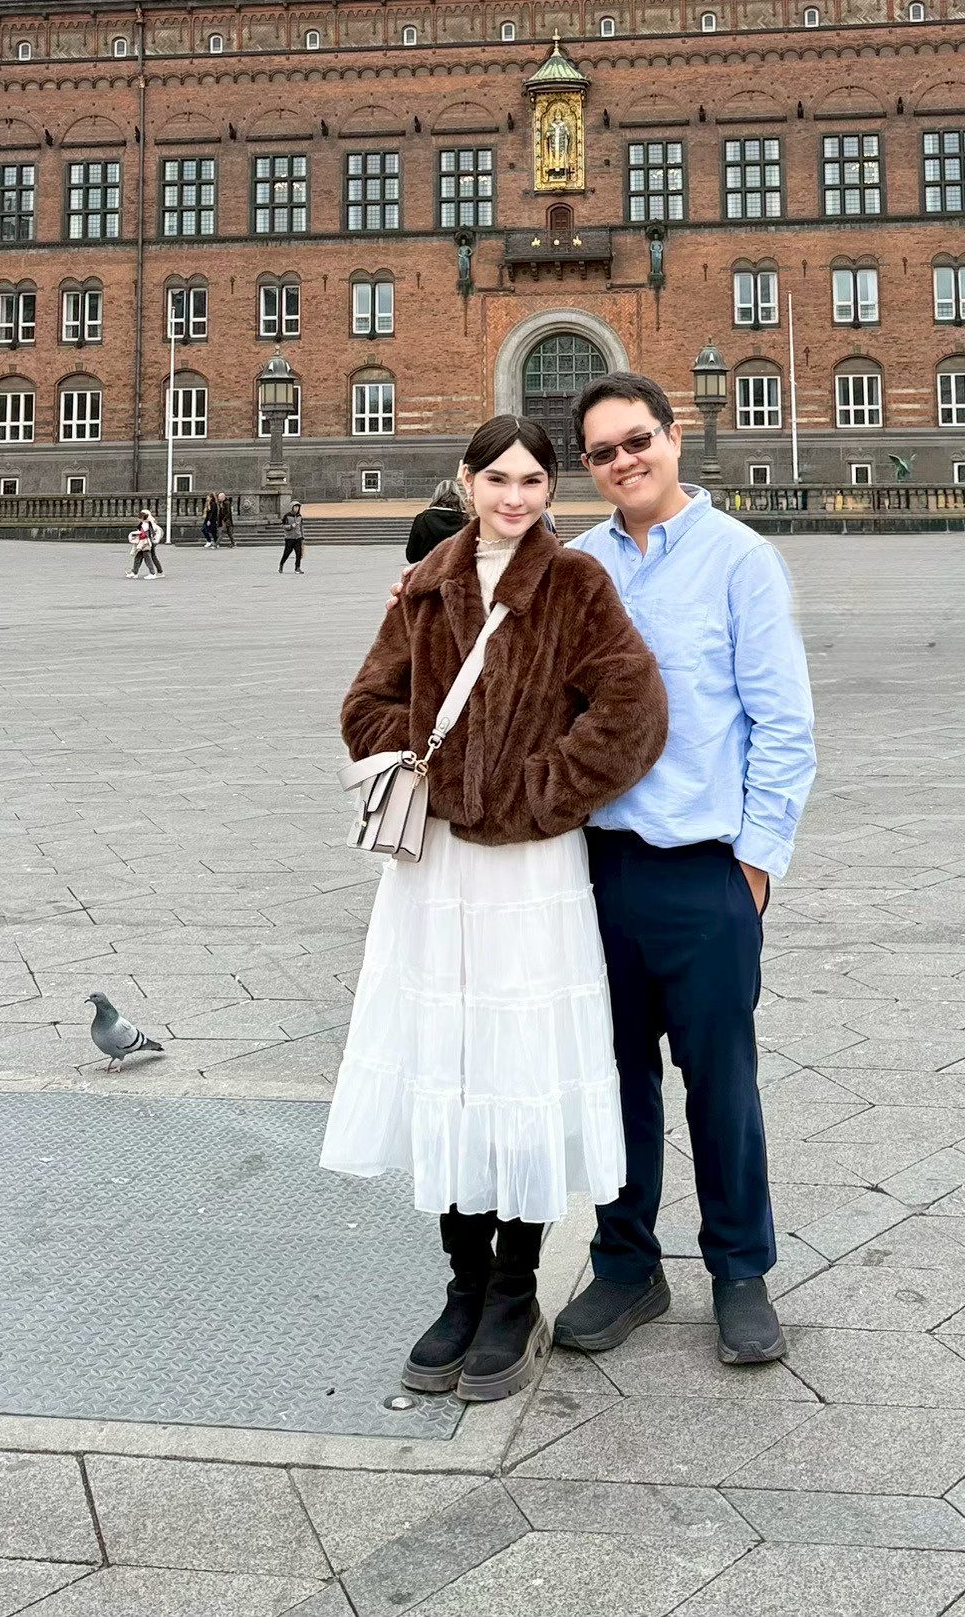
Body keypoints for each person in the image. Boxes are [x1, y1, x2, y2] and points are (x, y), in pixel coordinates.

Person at [322, 414, 668, 1405]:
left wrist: (535, 792)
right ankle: (462, 1283)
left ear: (552, 491)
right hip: (435, 869)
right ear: (466, 483)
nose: (515, 498)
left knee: (517, 1062)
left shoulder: (575, 584)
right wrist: (442, 778)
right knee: (450, 1059)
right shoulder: (428, 586)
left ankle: (514, 1290)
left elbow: (634, 711)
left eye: (532, 482)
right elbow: (365, 706)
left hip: (527, 870)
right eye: (498, 479)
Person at [552, 372, 816, 1370]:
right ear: (589, 468)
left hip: (706, 871)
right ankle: (627, 1265)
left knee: (722, 1084)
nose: (625, 462)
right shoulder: (577, 567)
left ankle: (741, 1271)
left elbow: (783, 723)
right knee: (614, 1080)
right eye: (604, 452)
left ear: (674, 436)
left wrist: (755, 866)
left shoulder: (740, 560)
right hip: (601, 866)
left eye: (638, 441)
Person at [406, 476, 470, 565]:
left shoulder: (422, 519)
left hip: (429, 569)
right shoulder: (467, 520)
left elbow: (412, 555)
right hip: (459, 569)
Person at [128, 509, 163, 579]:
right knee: (141, 557)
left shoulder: (147, 525)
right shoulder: (146, 524)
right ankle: (135, 572)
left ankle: (152, 573)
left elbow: (145, 535)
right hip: (145, 543)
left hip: (146, 543)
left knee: (148, 558)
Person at [279, 502, 304, 573]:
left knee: (298, 553)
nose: (296, 508)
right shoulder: (287, 516)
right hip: (289, 538)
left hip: (298, 537)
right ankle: (281, 564)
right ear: (292, 507)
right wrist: (290, 526)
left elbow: (301, 527)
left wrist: (302, 536)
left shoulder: (299, 516)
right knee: (287, 553)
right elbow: (283, 526)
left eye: (298, 507)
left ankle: (297, 567)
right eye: (295, 507)